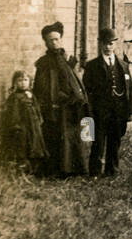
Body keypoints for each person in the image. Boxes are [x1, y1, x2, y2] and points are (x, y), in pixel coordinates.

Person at [32, 21, 91, 177]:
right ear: (46, 42)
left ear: (61, 39)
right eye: (50, 40)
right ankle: (58, 171)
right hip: (55, 106)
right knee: (56, 136)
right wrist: (57, 97)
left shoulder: (67, 59)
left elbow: (73, 80)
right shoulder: (44, 63)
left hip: (71, 106)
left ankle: (75, 168)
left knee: (73, 136)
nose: (54, 42)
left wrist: (75, 97)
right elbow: (43, 86)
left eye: (57, 39)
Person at [82, 27, 132, 178]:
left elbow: (130, 90)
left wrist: (130, 111)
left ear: (115, 44)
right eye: (105, 43)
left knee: (115, 141)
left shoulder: (123, 66)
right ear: (100, 44)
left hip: (117, 111)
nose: (108, 47)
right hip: (100, 111)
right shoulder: (92, 66)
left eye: (111, 43)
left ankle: (112, 171)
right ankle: (95, 172)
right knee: (98, 142)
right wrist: (89, 112)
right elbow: (87, 91)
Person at [0, 70, 47, 173]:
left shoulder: (31, 95)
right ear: (15, 83)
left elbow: (37, 108)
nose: (23, 83)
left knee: (35, 144)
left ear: (30, 82)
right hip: (23, 126)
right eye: (20, 80)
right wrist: (16, 126)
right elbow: (14, 113)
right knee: (23, 146)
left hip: (33, 125)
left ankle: (34, 169)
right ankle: (22, 170)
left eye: (25, 80)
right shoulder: (15, 97)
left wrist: (39, 119)